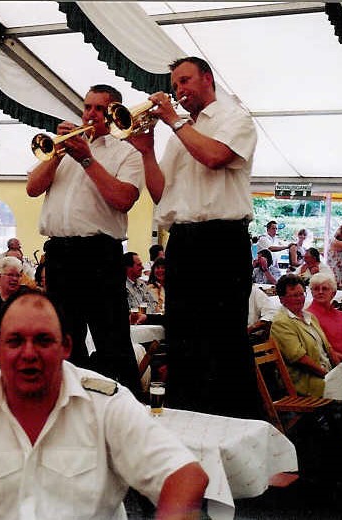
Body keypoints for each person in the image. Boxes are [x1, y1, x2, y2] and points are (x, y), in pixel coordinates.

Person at [0, 291, 208, 519]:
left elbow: (185, 475)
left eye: (43, 340)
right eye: (15, 341)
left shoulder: (105, 404)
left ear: (66, 347)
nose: (29, 353)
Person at [128, 56, 261, 418]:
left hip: (222, 239)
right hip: (184, 241)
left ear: (207, 78)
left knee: (223, 338)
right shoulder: (181, 134)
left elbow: (215, 156)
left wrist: (174, 120)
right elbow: (161, 194)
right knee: (182, 337)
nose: (179, 90)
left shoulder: (235, 118)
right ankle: (186, 418)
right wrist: (146, 151)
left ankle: (235, 423)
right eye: (175, 86)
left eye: (184, 81)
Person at [26, 83, 143, 395]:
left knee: (111, 338)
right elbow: (32, 188)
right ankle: (67, 400)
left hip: (99, 254)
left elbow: (123, 199)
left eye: (99, 109)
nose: (91, 114)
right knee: (63, 336)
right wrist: (57, 154)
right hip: (60, 253)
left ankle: (125, 406)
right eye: (87, 107)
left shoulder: (127, 153)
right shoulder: (63, 149)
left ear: (114, 113)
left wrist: (87, 159)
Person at [270, 274, 337, 398]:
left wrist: (339, 371)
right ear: (281, 299)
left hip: (327, 374)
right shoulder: (281, 323)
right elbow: (301, 359)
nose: (300, 299)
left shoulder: (310, 317)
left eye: (302, 294)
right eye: (294, 295)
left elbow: (329, 349)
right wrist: (328, 375)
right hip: (306, 382)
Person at [307, 273, 342, 361]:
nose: (320, 292)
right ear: (311, 292)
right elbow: (319, 350)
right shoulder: (309, 316)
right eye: (316, 289)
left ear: (333, 293)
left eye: (325, 289)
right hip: (336, 364)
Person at [124, 252, 157, 321]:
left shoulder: (142, 284)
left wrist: (145, 315)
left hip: (146, 322)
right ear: (129, 268)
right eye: (139, 265)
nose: (142, 267)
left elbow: (154, 303)